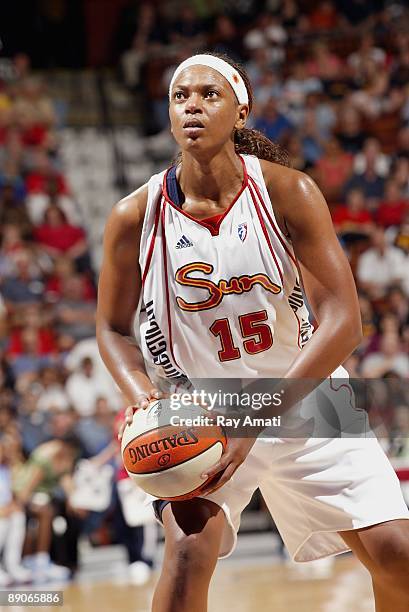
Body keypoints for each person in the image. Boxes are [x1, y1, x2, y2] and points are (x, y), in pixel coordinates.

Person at [96, 53, 409, 612]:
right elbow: (113, 329)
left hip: (308, 393)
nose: (191, 104)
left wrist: (259, 417)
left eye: (208, 94)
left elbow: (344, 322)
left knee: (397, 557)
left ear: (242, 111)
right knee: (187, 556)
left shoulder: (289, 192)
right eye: (179, 96)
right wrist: (145, 402)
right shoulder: (133, 216)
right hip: (206, 407)